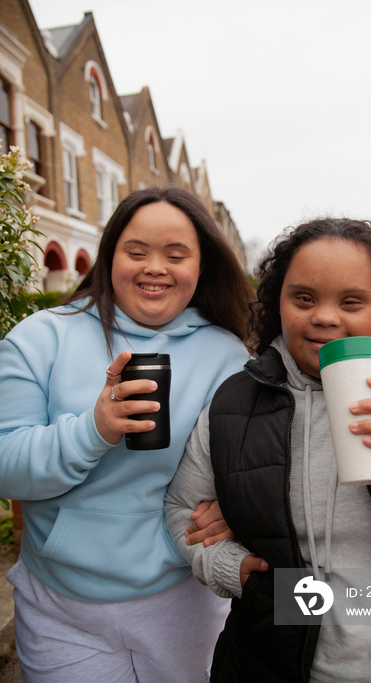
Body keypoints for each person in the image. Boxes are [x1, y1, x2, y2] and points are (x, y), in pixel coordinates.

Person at [166, 217, 371, 683]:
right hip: (276, 662)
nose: (325, 317)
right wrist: (234, 569)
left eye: (351, 301)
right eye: (303, 298)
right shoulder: (233, 405)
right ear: (277, 302)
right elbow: (181, 509)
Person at [0, 186, 253, 683]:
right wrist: (93, 430)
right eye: (136, 252)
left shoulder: (228, 355)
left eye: (176, 255)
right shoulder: (38, 338)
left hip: (187, 599)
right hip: (62, 608)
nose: (154, 267)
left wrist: (238, 506)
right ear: (109, 256)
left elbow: (251, 464)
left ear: (201, 267)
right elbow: (6, 467)